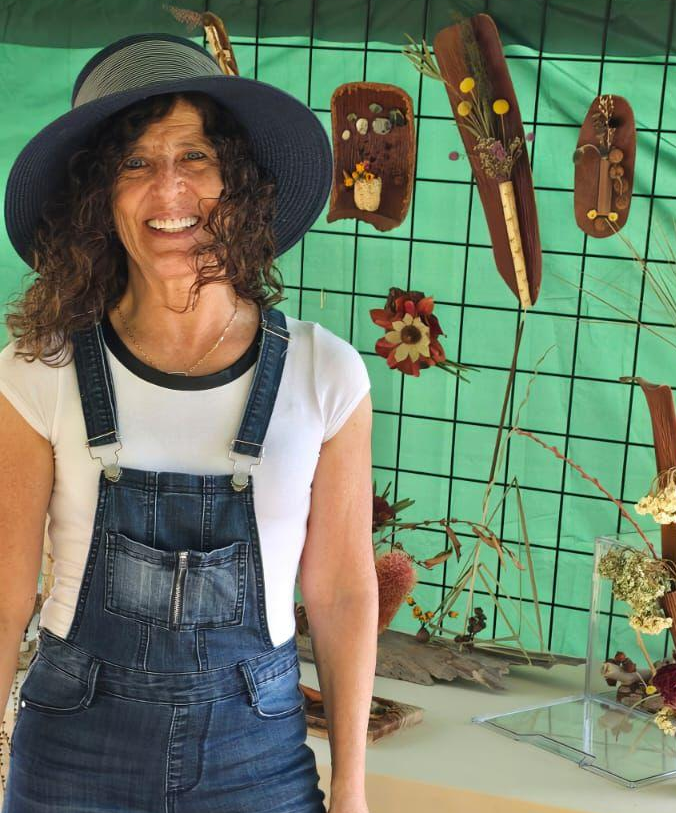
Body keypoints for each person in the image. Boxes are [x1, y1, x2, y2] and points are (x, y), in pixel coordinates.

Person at [0, 33, 377, 813]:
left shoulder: (324, 372)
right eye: (134, 163)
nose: (168, 190)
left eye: (195, 158)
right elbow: (4, 587)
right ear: (96, 198)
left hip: (258, 759)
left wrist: (352, 789)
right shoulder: (37, 370)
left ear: (238, 183)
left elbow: (340, 591)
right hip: (73, 756)